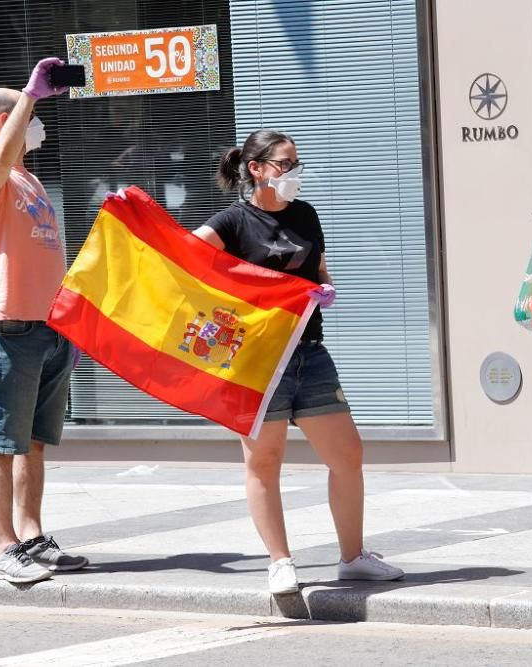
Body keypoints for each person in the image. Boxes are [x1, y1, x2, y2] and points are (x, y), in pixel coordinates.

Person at [193, 129, 405, 595]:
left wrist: (325, 287)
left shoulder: (305, 214)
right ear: (257, 169)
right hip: (257, 361)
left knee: (347, 454)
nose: (295, 172)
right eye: (286, 164)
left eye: (296, 163)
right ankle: (280, 561)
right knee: (265, 462)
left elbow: (319, 269)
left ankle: (352, 558)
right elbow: (185, 262)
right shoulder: (232, 222)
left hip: (309, 351)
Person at [0, 58, 88, 583]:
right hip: (12, 327)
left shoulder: (31, 181)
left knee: (34, 441)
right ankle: (3, 549)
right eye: (23, 114)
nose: (35, 122)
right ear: (0, 123)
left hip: (51, 329)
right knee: (2, 440)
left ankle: (32, 536)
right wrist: (27, 95)